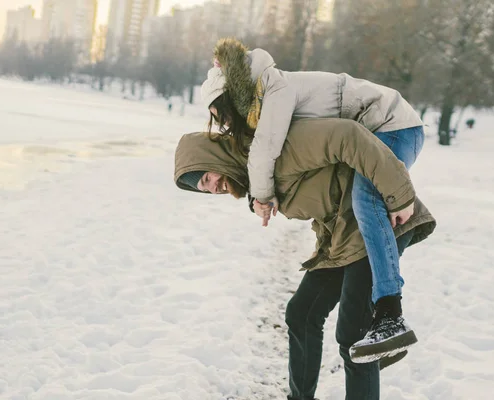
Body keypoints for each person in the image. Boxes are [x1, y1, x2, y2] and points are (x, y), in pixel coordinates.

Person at [174, 118, 436, 400]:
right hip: (343, 237)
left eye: (206, 178)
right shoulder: (258, 177)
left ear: (213, 157)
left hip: (379, 221)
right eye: (205, 189)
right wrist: (257, 199)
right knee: (302, 313)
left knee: (353, 334)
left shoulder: (277, 148)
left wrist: (401, 196)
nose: (213, 188)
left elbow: (347, 135)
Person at [200, 38, 425, 360]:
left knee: (367, 200)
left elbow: (266, 148)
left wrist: (401, 197)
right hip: (369, 134)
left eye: (219, 114)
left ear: (230, 101)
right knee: (361, 200)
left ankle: (391, 316)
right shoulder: (262, 103)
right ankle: (385, 336)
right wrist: (257, 197)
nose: (222, 124)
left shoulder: (274, 88)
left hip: (393, 124)